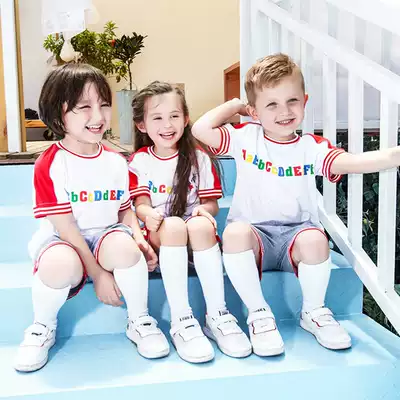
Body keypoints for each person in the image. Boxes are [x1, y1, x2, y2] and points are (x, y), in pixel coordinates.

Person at [192, 53, 400, 355]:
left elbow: (354, 162)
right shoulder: (245, 137)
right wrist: (235, 106)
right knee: (234, 233)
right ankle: (259, 314)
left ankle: (313, 312)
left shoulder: (310, 147)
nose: (284, 111)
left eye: (292, 101)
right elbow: (200, 129)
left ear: (304, 101)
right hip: (254, 237)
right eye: (271, 105)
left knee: (316, 239)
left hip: (296, 236)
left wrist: (393, 156)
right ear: (254, 111)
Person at [14, 64, 169, 373]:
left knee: (127, 249)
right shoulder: (50, 163)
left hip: (106, 237)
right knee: (58, 264)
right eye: (84, 107)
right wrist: (98, 275)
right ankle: (42, 326)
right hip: (65, 240)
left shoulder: (116, 161)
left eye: (104, 105)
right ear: (58, 112)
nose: (98, 116)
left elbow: (124, 209)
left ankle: (139, 319)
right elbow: (65, 226)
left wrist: (139, 239)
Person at [129, 81, 252, 363]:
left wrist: (203, 212)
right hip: (163, 238)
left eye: (174, 116)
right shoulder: (139, 161)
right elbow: (140, 205)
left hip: (195, 241)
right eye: (157, 118)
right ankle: (182, 320)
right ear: (142, 125)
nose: (167, 124)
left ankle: (217, 315)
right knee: (173, 225)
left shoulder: (199, 158)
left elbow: (211, 204)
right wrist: (148, 215)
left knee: (199, 224)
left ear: (185, 119)